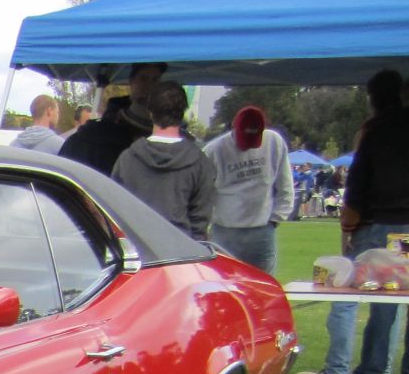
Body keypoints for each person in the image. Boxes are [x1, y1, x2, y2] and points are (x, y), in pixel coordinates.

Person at [335, 69, 409, 374]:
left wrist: (350, 228)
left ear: (373, 97)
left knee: (384, 302)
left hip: (382, 225)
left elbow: (357, 183)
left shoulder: (375, 130)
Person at [112, 81, 215, 240]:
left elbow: (115, 214)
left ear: (150, 112)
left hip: (139, 254)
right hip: (182, 255)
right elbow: (200, 223)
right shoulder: (199, 162)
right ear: (183, 113)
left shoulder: (127, 159)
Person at [203, 105, 293, 273]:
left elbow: (285, 184)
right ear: (234, 128)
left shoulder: (274, 142)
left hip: (261, 230)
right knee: (224, 287)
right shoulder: (214, 151)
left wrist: (276, 218)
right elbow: (202, 194)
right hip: (225, 231)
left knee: (264, 288)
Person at [59, 62, 167, 175]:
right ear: (131, 82)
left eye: (156, 80)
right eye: (144, 79)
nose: (150, 86)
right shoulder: (98, 136)